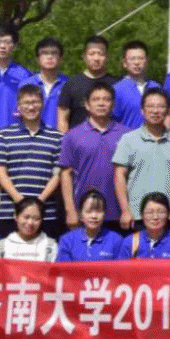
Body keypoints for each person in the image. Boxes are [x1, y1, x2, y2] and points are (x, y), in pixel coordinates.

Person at [0, 84, 65, 239]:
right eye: (26, 103)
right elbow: (0, 174)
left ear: (42, 104)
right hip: (10, 212)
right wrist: (21, 202)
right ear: (19, 105)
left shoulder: (57, 137)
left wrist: (39, 202)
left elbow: (58, 174)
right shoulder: (4, 135)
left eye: (35, 102)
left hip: (46, 213)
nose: (31, 107)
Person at [113, 88, 170, 231]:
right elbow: (119, 176)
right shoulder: (128, 139)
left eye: (160, 107)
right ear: (142, 110)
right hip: (138, 216)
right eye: (150, 106)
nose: (155, 111)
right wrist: (125, 210)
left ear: (168, 111)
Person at [59, 82, 129, 232]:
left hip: (119, 213)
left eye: (106, 99)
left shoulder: (127, 135)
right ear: (87, 105)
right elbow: (66, 174)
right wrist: (70, 210)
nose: (101, 103)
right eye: (96, 99)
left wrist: (127, 210)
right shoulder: (73, 135)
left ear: (113, 104)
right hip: (84, 212)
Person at [57, 35, 118, 133]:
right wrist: (66, 139)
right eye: (92, 54)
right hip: (77, 139)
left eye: (100, 54)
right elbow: (62, 118)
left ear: (107, 57)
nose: (96, 58)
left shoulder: (116, 84)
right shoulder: (71, 84)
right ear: (84, 56)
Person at [56, 189, 124, 261]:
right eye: (88, 211)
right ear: (80, 215)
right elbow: (62, 267)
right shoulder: (67, 240)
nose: (94, 216)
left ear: (105, 214)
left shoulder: (115, 240)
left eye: (99, 211)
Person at [17, 37, 68, 129]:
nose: (50, 57)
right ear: (38, 59)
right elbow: (19, 115)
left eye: (54, 53)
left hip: (60, 135)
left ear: (60, 58)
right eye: (44, 53)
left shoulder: (68, 84)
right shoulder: (26, 84)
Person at [111, 40, 161, 130]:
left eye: (141, 58)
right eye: (132, 59)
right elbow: (112, 122)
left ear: (147, 61)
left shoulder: (156, 87)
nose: (137, 62)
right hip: (126, 137)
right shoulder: (117, 90)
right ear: (124, 63)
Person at [120, 192, 170, 259]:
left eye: (161, 212)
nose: (155, 217)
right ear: (142, 215)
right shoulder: (130, 242)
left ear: (168, 214)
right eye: (150, 212)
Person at [0, 197, 58, 261]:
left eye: (36, 219)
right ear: (15, 216)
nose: (30, 223)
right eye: (26, 217)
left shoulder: (50, 247)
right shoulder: (2, 247)